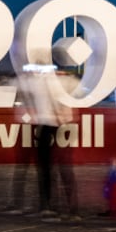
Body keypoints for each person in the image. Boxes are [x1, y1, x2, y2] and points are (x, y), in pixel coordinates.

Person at [18, 63, 79, 219]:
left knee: (48, 169)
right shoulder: (67, 80)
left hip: (50, 126)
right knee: (62, 168)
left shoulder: (47, 82)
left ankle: (51, 206)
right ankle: (69, 208)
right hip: (61, 125)